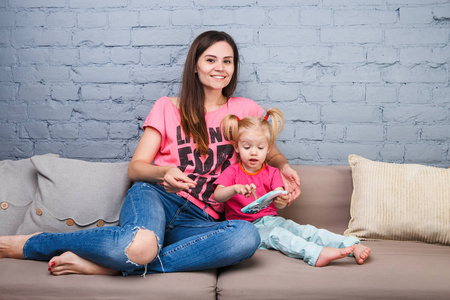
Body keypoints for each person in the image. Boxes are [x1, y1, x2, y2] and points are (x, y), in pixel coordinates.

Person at [0, 31, 301, 276]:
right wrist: (163, 173)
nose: (220, 68)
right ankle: (32, 244)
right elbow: (136, 168)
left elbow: (269, 153)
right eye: (211, 60)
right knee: (142, 244)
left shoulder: (245, 110)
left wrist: (284, 168)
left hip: (203, 220)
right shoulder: (167, 107)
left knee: (246, 237)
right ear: (195, 65)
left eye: (227, 61)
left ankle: (115, 268)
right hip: (157, 197)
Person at [213, 108, 371, 267]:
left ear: (268, 149)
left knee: (306, 230)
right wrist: (234, 189)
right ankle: (316, 254)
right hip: (247, 229)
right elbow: (217, 195)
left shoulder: (273, 172)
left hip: (272, 220)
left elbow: (279, 200)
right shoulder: (232, 171)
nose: (253, 152)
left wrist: (281, 198)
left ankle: (352, 245)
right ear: (237, 148)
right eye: (247, 147)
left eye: (260, 148)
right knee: (279, 235)